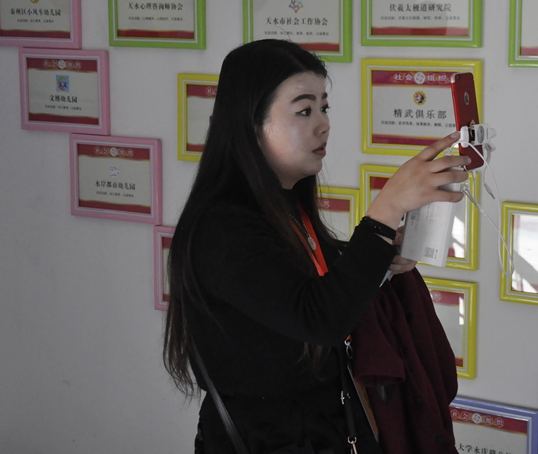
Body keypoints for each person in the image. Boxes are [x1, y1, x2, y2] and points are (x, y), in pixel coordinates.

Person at [163, 39, 469, 454]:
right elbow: (319, 318)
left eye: (324, 108)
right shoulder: (221, 226)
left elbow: (316, 296)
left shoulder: (282, 206)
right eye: (304, 111)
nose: (323, 125)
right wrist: (386, 208)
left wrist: (380, 261)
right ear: (249, 124)